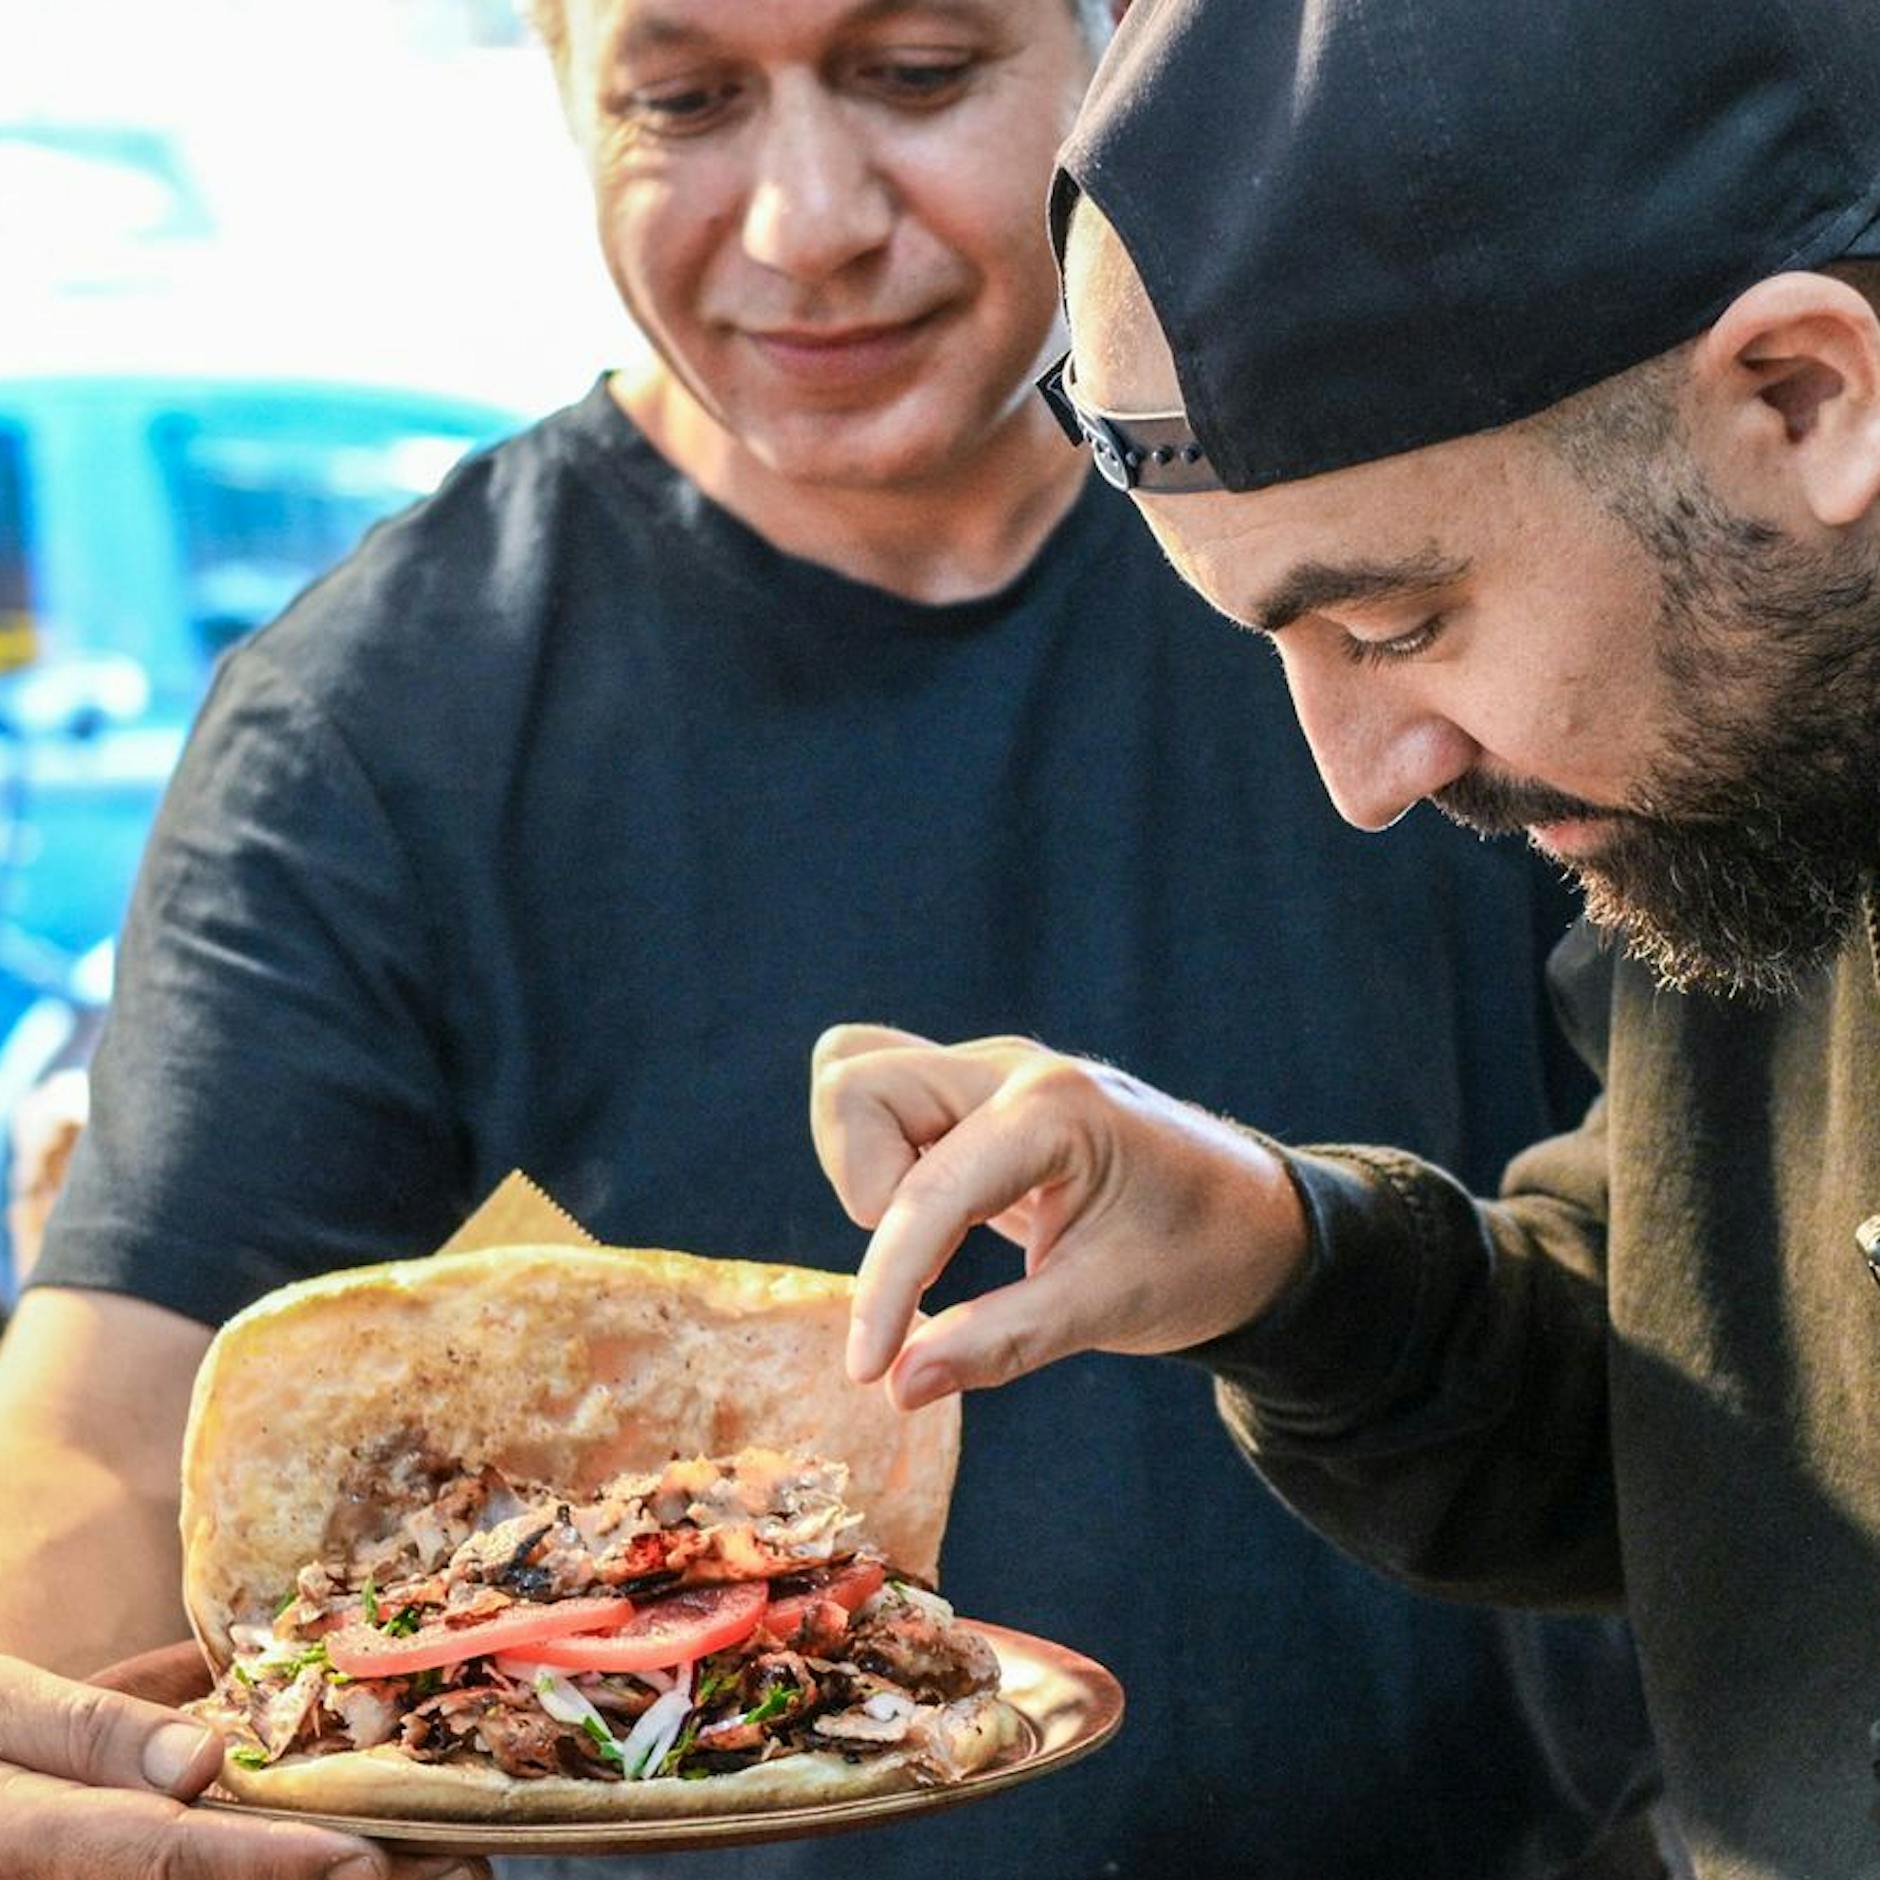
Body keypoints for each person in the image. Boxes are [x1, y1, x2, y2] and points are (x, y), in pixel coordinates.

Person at [0, 1, 1661, 1876]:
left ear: (1110, 52)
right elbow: (127, 1410)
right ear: (560, 93)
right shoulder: (380, 718)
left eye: (916, 72)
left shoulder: (1410, 554)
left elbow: (1708, 1279)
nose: (803, 219)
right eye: (683, 99)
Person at [803, 1, 1880, 1876]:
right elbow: (1705, 1443)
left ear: (1803, 394)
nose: (1370, 781)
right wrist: (1278, 1261)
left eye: (1393, 624)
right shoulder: (1762, 780)